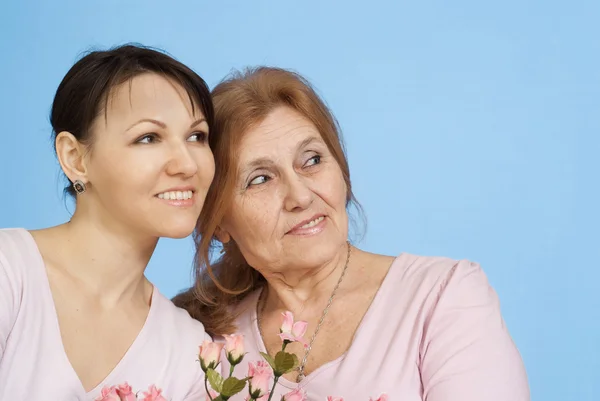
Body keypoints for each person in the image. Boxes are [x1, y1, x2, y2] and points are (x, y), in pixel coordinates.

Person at [173, 67, 530, 400]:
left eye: (311, 160)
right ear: (216, 222)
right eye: (260, 179)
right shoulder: (203, 340)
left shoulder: (442, 297)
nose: (301, 196)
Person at [0, 44, 215, 400]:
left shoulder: (189, 352)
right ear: (75, 158)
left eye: (197, 137)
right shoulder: (10, 273)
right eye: (149, 137)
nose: (187, 165)